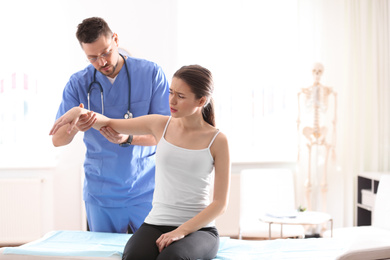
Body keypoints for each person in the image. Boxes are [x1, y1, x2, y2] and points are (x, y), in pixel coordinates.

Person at [50, 65, 230, 260]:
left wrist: (182, 230)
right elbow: (109, 122)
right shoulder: (160, 124)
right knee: (134, 256)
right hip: (156, 223)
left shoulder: (217, 141)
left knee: (172, 258)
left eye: (181, 96)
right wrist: (78, 111)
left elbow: (220, 204)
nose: (172, 100)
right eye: (171, 92)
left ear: (201, 100)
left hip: (199, 230)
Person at [52, 17, 170, 233]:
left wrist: (128, 138)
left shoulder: (151, 74)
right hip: (101, 191)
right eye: (92, 58)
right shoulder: (78, 83)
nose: (101, 62)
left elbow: (166, 134)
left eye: (105, 52)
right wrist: (78, 126)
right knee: (105, 254)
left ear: (115, 39)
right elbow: (58, 140)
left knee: (152, 252)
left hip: (146, 188)